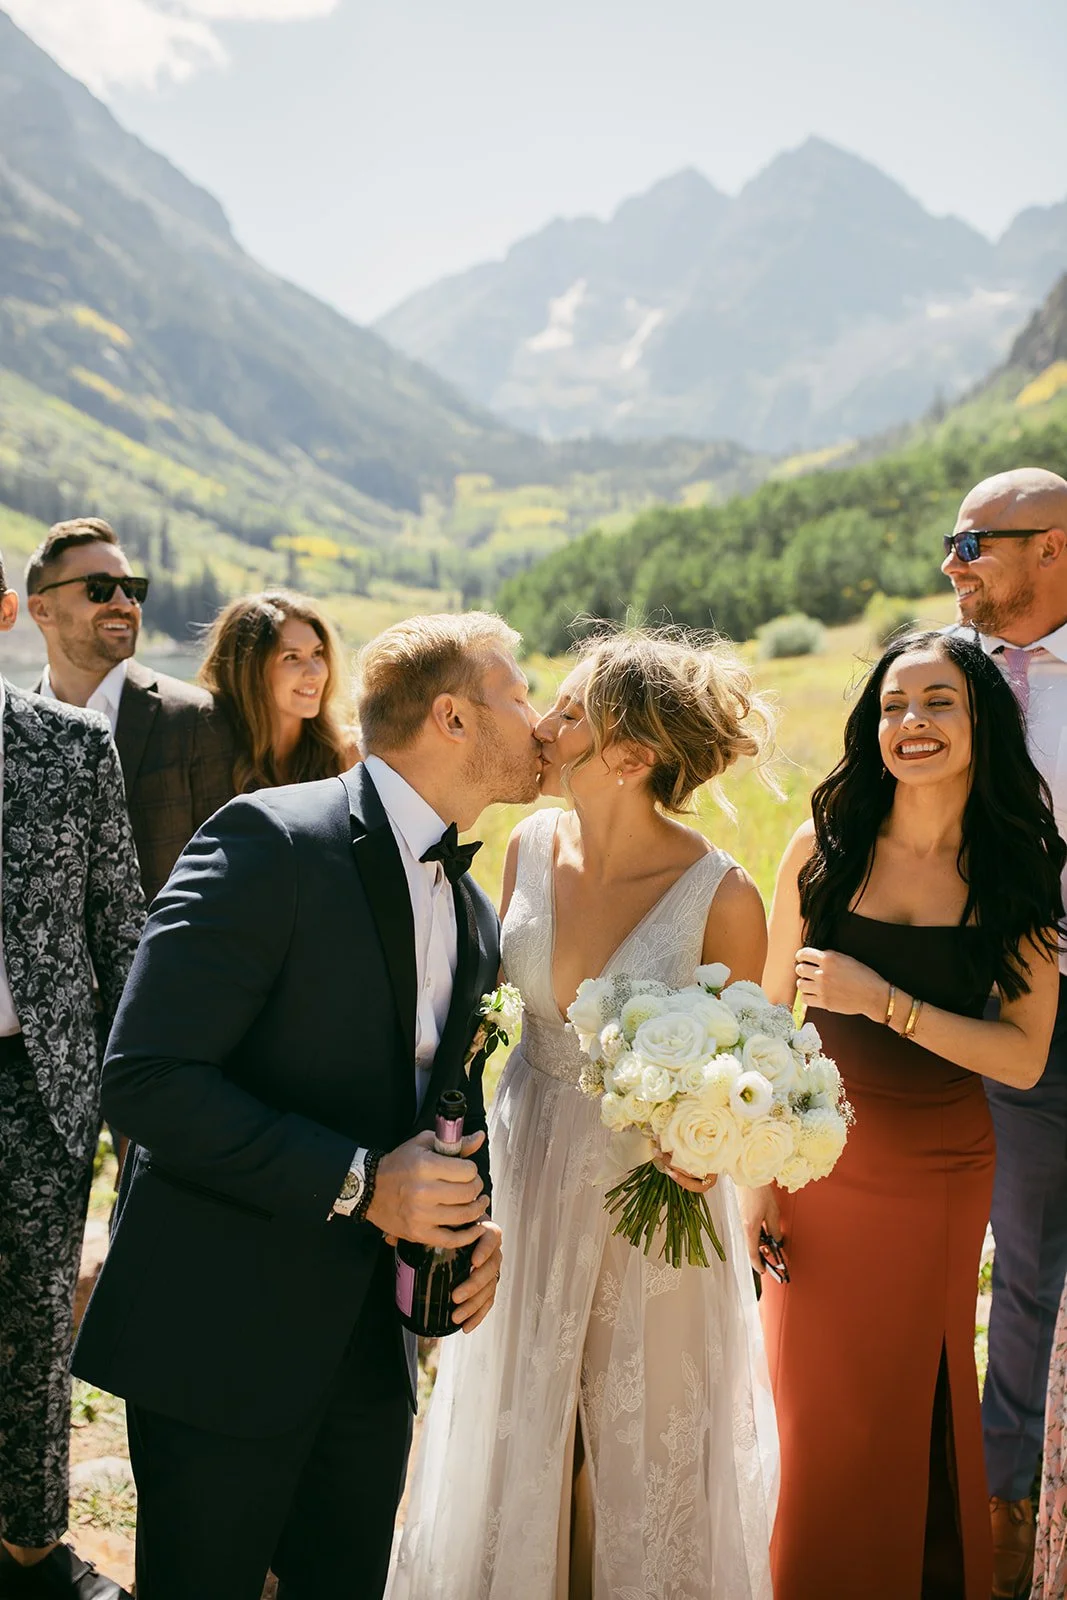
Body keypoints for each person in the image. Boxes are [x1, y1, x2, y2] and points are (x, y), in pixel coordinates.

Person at [73, 612, 542, 1600]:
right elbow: (147, 1076)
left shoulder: (471, 908)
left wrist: (467, 1218)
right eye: (520, 695)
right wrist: (360, 1183)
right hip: (221, 1333)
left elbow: (441, 1099)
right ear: (452, 717)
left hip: (370, 1351)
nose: (538, 721)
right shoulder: (269, 839)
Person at [391, 629, 780, 1600]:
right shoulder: (527, 848)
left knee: (629, 1451)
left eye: (569, 713)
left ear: (630, 755)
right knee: (527, 1425)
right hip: (528, 1161)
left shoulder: (721, 897)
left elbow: (748, 1076)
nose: (542, 724)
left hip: (646, 1199)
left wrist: (704, 1147)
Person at [752, 629, 1064, 1600]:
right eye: (892, 705)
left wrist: (881, 1000)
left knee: (908, 1402)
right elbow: (762, 1019)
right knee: (813, 1413)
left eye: (937, 702)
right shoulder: (821, 849)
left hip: (938, 1171)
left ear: (980, 723)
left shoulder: (1012, 865)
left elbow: (1020, 1052)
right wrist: (756, 1179)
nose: (910, 722)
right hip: (812, 1169)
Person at [0, 550, 144, 1600]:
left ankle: (31, 1545)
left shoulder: (71, 744)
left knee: (34, 1324)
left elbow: (120, 927)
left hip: (34, 1083)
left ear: (6, 611)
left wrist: (138, 1097)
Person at [940, 468, 1067, 1600]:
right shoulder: (940, 677)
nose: (953, 564)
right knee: (1021, 1262)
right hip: (998, 1011)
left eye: (973, 543)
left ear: (1052, 547)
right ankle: (1007, 1509)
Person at [26, 517, 236, 905]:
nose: (124, 604)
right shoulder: (12, 729)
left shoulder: (195, 718)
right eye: (99, 588)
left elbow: (226, 874)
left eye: (132, 589)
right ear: (42, 609)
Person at [197, 589, 356, 791]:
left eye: (317, 653)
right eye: (292, 657)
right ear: (248, 671)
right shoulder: (206, 755)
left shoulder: (350, 755)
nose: (315, 673)